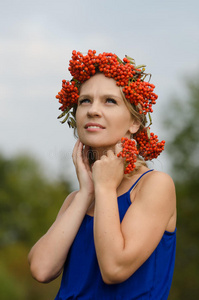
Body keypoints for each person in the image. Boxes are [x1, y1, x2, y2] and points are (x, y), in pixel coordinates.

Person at [28, 50, 176, 300]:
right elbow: (41, 270)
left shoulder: (153, 185)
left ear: (134, 122)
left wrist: (105, 189)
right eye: (85, 100)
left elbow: (114, 268)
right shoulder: (78, 198)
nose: (93, 110)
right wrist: (87, 192)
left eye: (110, 101)